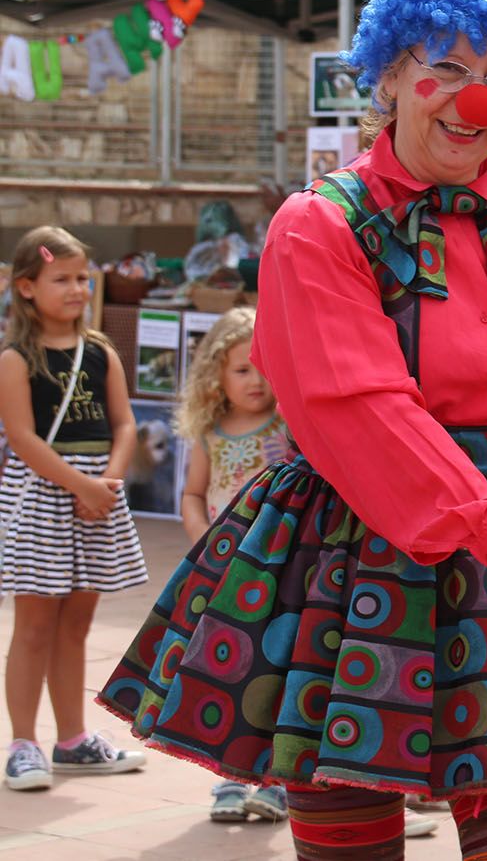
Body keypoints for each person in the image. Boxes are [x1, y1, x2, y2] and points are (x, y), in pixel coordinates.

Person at [99, 0, 487, 861]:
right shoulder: (319, 226)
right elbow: (368, 416)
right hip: (349, 561)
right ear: (388, 73)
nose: (479, 99)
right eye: (450, 67)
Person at [0, 226, 147, 792]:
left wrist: (106, 481)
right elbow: (21, 436)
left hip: (97, 497)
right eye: (61, 278)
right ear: (27, 288)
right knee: (34, 626)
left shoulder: (100, 353)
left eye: (83, 277)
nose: (76, 288)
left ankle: (72, 739)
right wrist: (78, 487)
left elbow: (125, 424)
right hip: (44, 497)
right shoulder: (17, 358)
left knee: (77, 626)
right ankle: (21, 743)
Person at [174, 307, 293, 823]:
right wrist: (207, 545)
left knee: (276, 669)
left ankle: (275, 782)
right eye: (241, 369)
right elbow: (192, 494)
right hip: (227, 574)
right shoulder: (210, 433)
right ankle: (228, 776)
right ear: (216, 376)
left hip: (279, 569)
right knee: (228, 672)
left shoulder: (287, 424)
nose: (255, 380)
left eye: (263, 367)